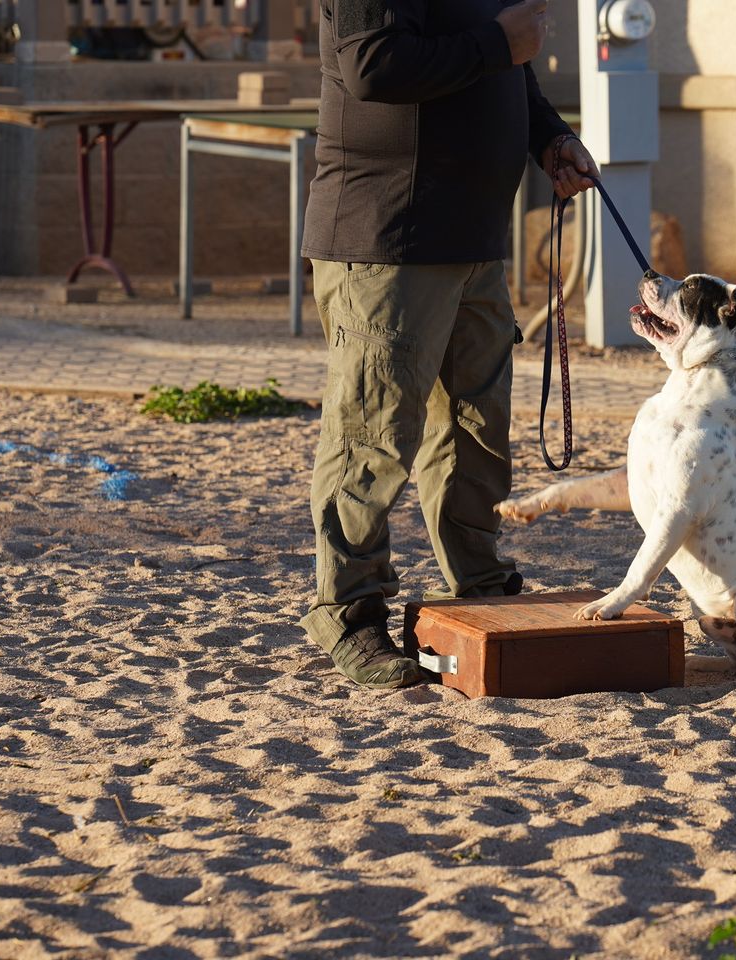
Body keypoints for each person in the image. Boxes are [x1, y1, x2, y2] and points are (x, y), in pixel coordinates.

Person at [300, 0, 599, 689]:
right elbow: (371, 67)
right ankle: (348, 612)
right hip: (388, 240)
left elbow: (512, 75)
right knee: (372, 435)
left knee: (475, 428)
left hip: (474, 239)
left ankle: (481, 586)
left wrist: (549, 137)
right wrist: (498, 41)